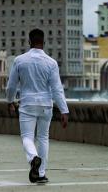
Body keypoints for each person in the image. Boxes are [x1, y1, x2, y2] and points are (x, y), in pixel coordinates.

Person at [6, 28, 69, 184]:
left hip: (27, 104)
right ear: (44, 42)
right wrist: (64, 110)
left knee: (27, 137)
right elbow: (57, 89)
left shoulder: (19, 60)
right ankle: (40, 174)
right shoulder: (51, 63)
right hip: (45, 105)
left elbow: (11, 86)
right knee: (43, 138)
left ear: (29, 42)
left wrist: (10, 101)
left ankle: (33, 158)